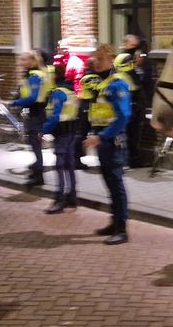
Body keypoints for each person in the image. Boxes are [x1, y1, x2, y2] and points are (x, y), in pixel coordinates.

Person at [84, 43, 131, 245]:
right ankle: (115, 222)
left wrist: (101, 137)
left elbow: (123, 117)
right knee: (110, 184)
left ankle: (122, 229)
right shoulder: (103, 83)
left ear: (111, 59)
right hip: (103, 139)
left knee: (115, 184)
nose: (95, 62)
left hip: (112, 141)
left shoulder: (117, 84)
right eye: (95, 58)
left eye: (100, 58)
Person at [9, 50, 51, 187]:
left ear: (32, 61)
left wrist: (14, 103)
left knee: (35, 144)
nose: (21, 63)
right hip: (36, 111)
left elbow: (33, 97)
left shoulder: (34, 76)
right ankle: (36, 169)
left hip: (36, 112)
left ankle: (38, 175)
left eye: (24, 60)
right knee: (33, 142)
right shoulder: (36, 73)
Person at [43, 64, 80, 214]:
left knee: (59, 165)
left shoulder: (58, 93)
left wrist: (43, 130)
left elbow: (55, 116)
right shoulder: (70, 91)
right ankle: (72, 196)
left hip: (62, 133)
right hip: (71, 132)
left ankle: (60, 199)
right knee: (69, 165)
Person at [121, 34, 150, 166]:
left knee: (135, 132)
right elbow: (134, 80)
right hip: (128, 101)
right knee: (129, 132)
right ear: (126, 44)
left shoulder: (136, 58)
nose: (135, 50)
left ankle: (133, 158)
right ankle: (129, 159)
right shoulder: (123, 60)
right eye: (132, 46)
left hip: (137, 101)